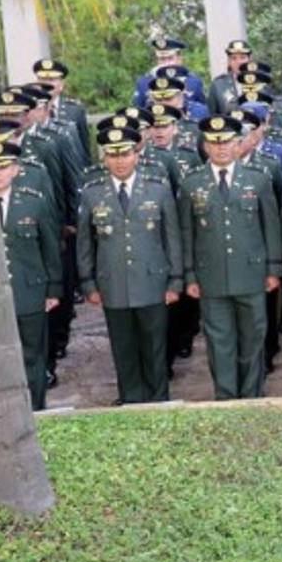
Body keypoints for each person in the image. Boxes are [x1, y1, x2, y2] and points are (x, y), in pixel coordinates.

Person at [178, 115, 282, 399]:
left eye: (226, 142)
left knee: (253, 338)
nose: (221, 148)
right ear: (205, 146)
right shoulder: (191, 184)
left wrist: (273, 269)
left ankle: (251, 396)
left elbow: (270, 228)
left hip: (252, 274)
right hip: (211, 276)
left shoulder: (258, 179)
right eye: (214, 142)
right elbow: (186, 234)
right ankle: (225, 397)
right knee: (218, 341)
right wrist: (189, 276)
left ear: (238, 144)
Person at [77, 126, 182, 405]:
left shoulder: (158, 189)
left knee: (155, 345)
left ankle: (158, 399)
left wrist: (175, 280)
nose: (120, 161)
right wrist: (88, 282)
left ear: (136, 155)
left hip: (152, 281)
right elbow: (85, 244)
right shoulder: (92, 193)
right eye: (113, 155)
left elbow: (172, 239)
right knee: (123, 347)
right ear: (105, 158)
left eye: (125, 154)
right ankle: (131, 398)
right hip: (113, 283)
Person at [0, 141, 62, 410]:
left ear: (15, 170)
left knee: (33, 354)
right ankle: (7, 410)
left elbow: (50, 248)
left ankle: (36, 406)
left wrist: (53, 288)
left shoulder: (34, 202)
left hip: (30, 290)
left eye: (3, 167)